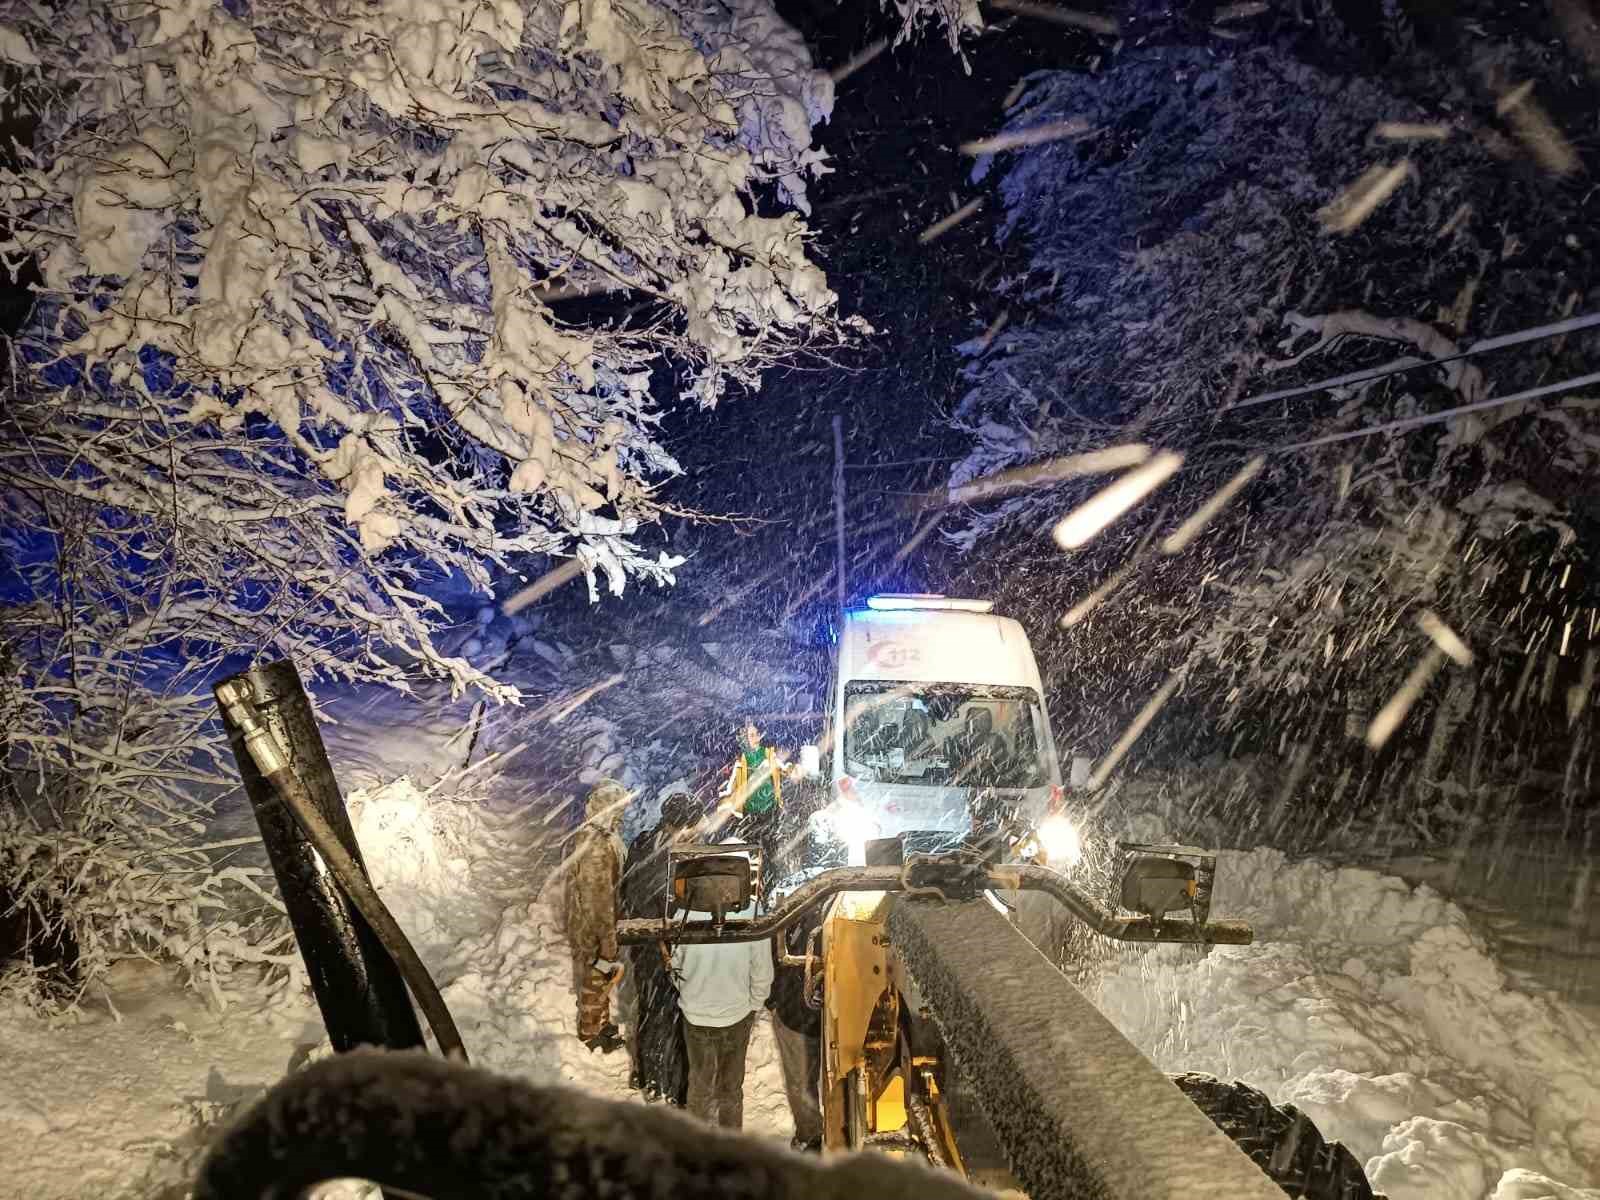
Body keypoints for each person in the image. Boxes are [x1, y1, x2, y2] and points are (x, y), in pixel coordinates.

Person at [670, 840, 774, 1129]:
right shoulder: (750, 912)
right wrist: (754, 1003)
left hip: (695, 1014)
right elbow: (762, 969)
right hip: (736, 1013)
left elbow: (676, 967)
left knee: (699, 1089)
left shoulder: (683, 913)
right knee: (731, 1090)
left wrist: (691, 993)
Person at [620, 791, 698, 1104]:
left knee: (652, 1011)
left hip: (645, 942)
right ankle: (672, 1085)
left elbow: (628, 890)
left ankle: (649, 1076)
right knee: (672, 1015)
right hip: (666, 946)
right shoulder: (680, 853)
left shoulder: (641, 843)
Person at [565, 778, 630, 1054]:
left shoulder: (594, 835)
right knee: (597, 975)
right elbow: (598, 899)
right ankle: (591, 1032)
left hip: (589, 923)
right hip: (594, 927)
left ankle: (599, 1022)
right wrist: (608, 941)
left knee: (600, 975)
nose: (622, 815)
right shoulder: (597, 845)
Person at [769, 890, 824, 1151]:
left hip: (796, 1016)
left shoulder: (791, 919)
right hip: (820, 1015)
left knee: (800, 1081)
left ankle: (810, 1136)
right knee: (810, 1079)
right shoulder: (834, 918)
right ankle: (822, 1131)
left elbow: (774, 959)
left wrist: (773, 1000)